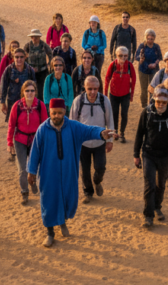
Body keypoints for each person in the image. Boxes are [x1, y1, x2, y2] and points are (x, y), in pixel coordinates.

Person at [28, 98, 116, 248]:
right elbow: (35, 151)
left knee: (67, 197)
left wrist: (101, 133)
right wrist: (31, 171)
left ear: (64, 112)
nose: (56, 116)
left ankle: (62, 222)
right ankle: (50, 233)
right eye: (53, 113)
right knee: (49, 201)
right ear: (50, 112)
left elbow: (89, 130)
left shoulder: (73, 127)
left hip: (69, 172)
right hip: (48, 174)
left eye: (59, 113)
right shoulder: (42, 130)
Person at [133, 87, 168, 229]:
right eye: (158, 101)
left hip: (166, 155)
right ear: (153, 99)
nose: (160, 105)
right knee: (149, 185)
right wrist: (136, 155)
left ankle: (157, 207)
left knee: (161, 184)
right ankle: (148, 216)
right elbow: (139, 134)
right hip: (148, 153)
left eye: (163, 102)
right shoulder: (147, 112)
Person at [70, 77, 114, 204]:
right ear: (85, 88)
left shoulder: (104, 100)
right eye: (90, 89)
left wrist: (110, 140)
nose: (93, 92)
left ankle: (97, 181)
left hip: (100, 141)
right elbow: (72, 122)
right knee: (85, 170)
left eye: (95, 89)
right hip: (83, 143)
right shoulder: (78, 101)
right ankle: (88, 192)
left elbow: (110, 120)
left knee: (101, 167)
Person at [7, 80, 47, 204]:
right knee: (22, 169)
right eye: (27, 90)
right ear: (23, 92)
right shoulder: (17, 106)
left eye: (32, 90)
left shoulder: (40, 106)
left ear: (35, 91)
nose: (29, 93)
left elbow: (45, 125)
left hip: (35, 140)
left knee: (36, 166)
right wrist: (10, 143)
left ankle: (33, 182)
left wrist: (46, 141)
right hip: (20, 139)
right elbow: (11, 125)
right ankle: (24, 191)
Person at [104, 46, 136, 143]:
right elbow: (107, 79)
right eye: (120, 55)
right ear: (116, 55)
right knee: (114, 113)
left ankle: (122, 133)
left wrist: (131, 95)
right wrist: (105, 94)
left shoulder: (130, 65)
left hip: (125, 94)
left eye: (125, 55)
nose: (123, 57)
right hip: (114, 94)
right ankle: (115, 132)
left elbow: (133, 80)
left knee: (124, 114)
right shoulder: (113, 65)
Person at [0, 48, 36, 124]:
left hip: (27, 101)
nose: (19, 59)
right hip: (12, 101)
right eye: (16, 57)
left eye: (21, 57)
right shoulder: (9, 70)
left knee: (26, 123)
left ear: (25, 57)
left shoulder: (30, 70)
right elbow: (3, 86)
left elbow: (34, 87)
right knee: (12, 123)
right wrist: (3, 102)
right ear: (13, 58)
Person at [135, 29, 163, 108]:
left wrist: (155, 64)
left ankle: (152, 105)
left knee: (153, 88)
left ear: (154, 38)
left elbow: (160, 57)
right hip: (143, 69)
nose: (150, 40)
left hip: (154, 70)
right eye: (148, 38)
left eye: (151, 39)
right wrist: (142, 60)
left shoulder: (156, 46)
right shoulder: (142, 46)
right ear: (145, 38)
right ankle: (144, 106)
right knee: (143, 89)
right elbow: (136, 56)